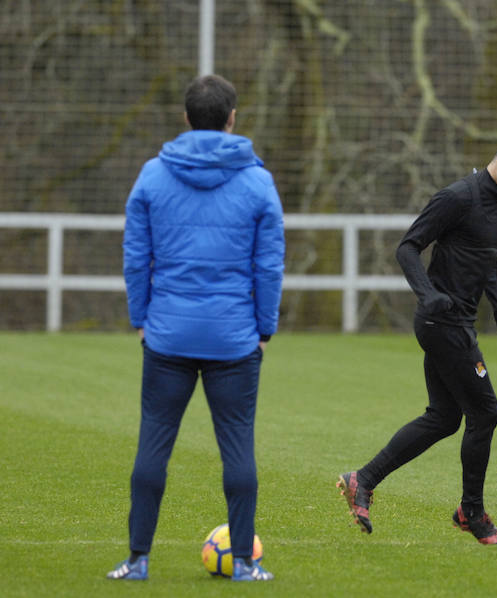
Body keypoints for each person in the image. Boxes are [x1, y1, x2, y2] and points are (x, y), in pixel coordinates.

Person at [107, 74, 284, 581]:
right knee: (238, 448)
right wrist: (264, 328)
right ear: (232, 119)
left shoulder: (152, 175)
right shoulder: (257, 181)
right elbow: (268, 265)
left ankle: (137, 560)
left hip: (167, 336)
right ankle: (246, 564)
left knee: (153, 446)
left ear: (185, 119)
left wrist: (141, 319)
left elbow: (136, 258)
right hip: (234, 339)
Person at [337, 125, 497, 544]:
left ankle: (363, 479)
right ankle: (471, 512)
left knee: (446, 417)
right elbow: (408, 247)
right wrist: (428, 294)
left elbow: (491, 262)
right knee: (485, 413)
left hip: (460, 323)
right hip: (440, 323)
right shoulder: (457, 197)